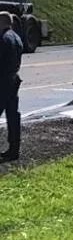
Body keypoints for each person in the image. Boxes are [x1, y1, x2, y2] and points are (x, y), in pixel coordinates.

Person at [0, 12, 23, 161]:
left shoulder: (3, 39)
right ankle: (14, 148)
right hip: (13, 78)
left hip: (2, 80)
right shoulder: (16, 37)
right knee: (13, 115)